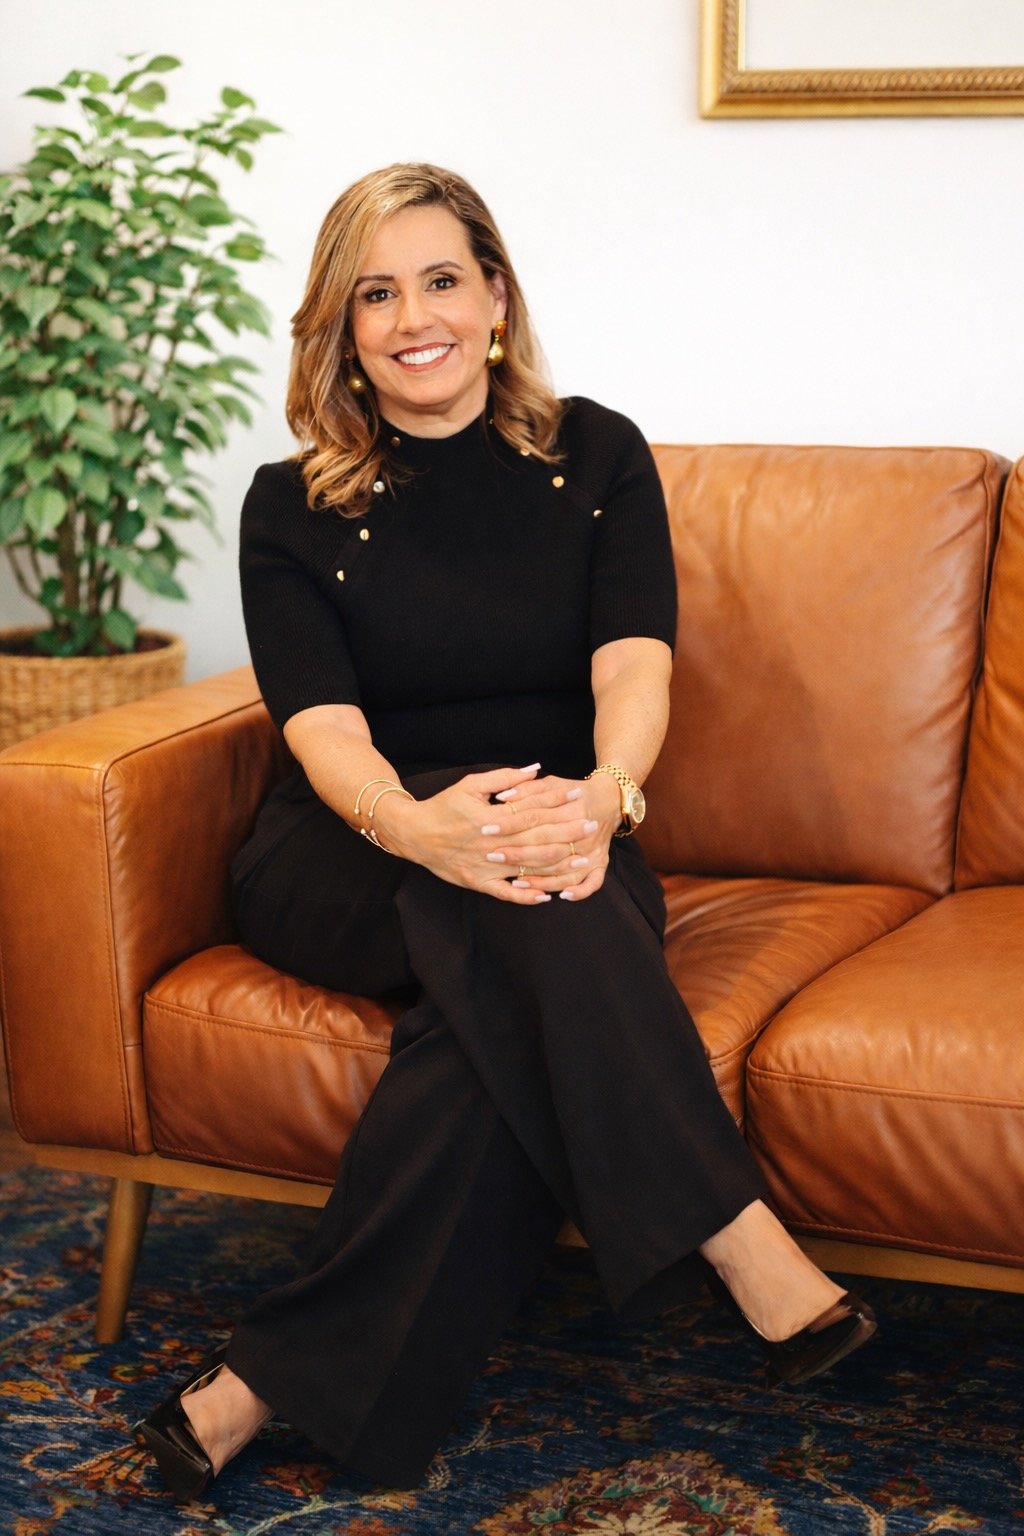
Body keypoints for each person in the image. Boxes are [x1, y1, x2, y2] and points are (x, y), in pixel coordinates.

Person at [134, 163, 875, 1503]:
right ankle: (735, 1233)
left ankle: (261, 1381)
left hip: (562, 823)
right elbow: (321, 727)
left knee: (507, 983)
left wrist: (604, 797)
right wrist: (423, 832)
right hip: (351, 843)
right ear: (342, 328)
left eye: (440, 280)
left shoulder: (597, 455)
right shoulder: (290, 503)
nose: (412, 317)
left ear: (494, 296)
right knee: (524, 913)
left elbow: (633, 665)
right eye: (375, 293)